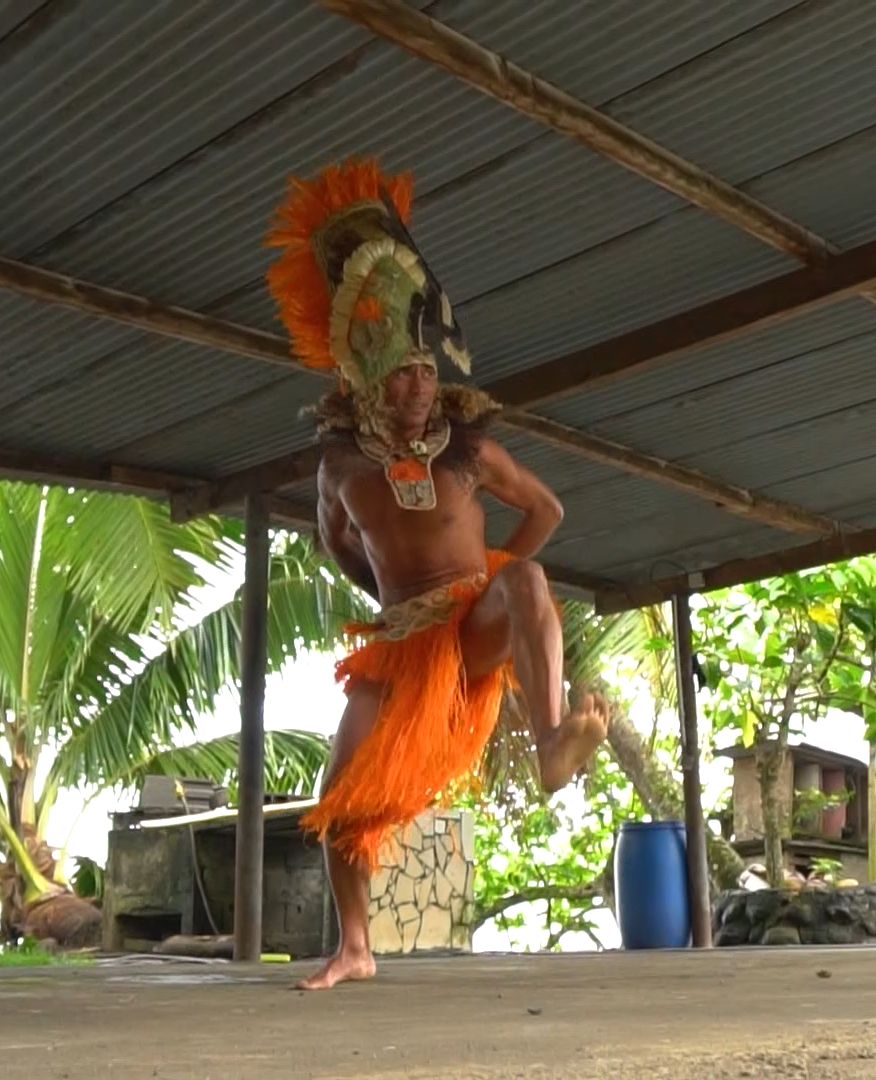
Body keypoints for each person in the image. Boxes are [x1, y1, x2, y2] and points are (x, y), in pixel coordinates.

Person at [263, 157, 610, 990]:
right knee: (341, 803)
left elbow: (547, 513)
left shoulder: (469, 450)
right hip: (401, 638)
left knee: (526, 579)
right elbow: (336, 544)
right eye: (403, 373)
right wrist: (391, 599)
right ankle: (354, 947)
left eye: (427, 370)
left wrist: (484, 569)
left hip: (474, 616)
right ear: (369, 378)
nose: (420, 385)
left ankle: (553, 736)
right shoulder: (340, 463)